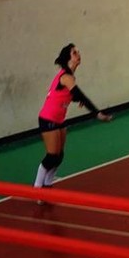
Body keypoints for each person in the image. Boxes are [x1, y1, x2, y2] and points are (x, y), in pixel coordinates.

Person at [33, 43, 112, 198]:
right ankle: (36, 189)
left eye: (78, 52)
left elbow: (69, 95)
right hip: (47, 118)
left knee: (59, 156)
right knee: (52, 156)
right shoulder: (66, 77)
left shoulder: (70, 77)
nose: (78, 55)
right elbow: (79, 94)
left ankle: (47, 185)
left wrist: (76, 99)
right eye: (74, 53)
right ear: (68, 58)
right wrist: (96, 113)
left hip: (59, 119)